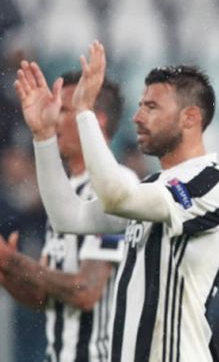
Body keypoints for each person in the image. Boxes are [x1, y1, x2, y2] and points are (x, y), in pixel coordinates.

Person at [29, 41, 219, 362]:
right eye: (140, 105)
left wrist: (84, 112)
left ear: (190, 117)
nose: (137, 117)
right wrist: (43, 137)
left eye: (152, 107)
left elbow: (116, 196)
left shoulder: (211, 182)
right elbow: (67, 217)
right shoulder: (151, 188)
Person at [2, 65, 130, 362]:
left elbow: (86, 291)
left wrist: (14, 262)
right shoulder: (64, 193)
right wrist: (8, 273)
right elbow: (45, 297)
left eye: (64, 111)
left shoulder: (114, 188)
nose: (54, 120)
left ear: (94, 122)